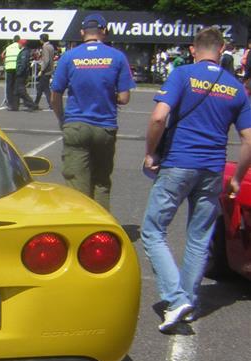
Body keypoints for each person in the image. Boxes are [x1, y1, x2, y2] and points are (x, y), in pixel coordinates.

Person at [141, 26, 251, 332]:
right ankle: (187, 300)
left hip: (178, 163)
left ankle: (175, 299)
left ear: (193, 49)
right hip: (212, 168)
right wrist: (238, 178)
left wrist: (151, 153)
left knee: (152, 230)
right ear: (223, 49)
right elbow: (249, 140)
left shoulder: (182, 75)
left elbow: (159, 117)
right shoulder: (235, 88)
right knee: (199, 237)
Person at [50, 13, 135, 210]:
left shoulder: (69, 56)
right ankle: (101, 232)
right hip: (105, 126)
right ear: (104, 32)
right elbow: (124, 98)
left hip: (76, 124)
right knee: (102, 182)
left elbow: (55, 94)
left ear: (82, 33)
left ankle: (80, 228)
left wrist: (62, 118)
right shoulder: (117, 57)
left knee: (76, 183)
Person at [13, 39, 37, 111]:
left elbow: (23, 64)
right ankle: (15, 106)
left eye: (19, 44)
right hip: (21, 73)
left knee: (21, 90)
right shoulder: (24, 51)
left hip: (21, 74)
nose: (18, 45)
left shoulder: (24, 52)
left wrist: (19, 72)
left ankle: (31, 104)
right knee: (16, 90)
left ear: (22, 44)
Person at [33, 33, 54, 110]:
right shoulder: (51, 46)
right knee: (41, 88)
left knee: (44, 88)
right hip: (50, 70)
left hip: (46, 71)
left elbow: (46, 60)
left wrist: (42, 70)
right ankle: (35, 103)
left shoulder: (45, 47)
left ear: (42, 40)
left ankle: (51, 104)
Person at [2, 35, 21, 110]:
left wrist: (5, 62)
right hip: (16, 67)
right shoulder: (19, 47)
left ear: (13, 40)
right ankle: (16, 103)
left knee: (9, 86)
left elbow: (2, 55)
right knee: (16, 86)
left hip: (9, 67)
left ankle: (9, 103)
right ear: (19, 40)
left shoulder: (8, 47)